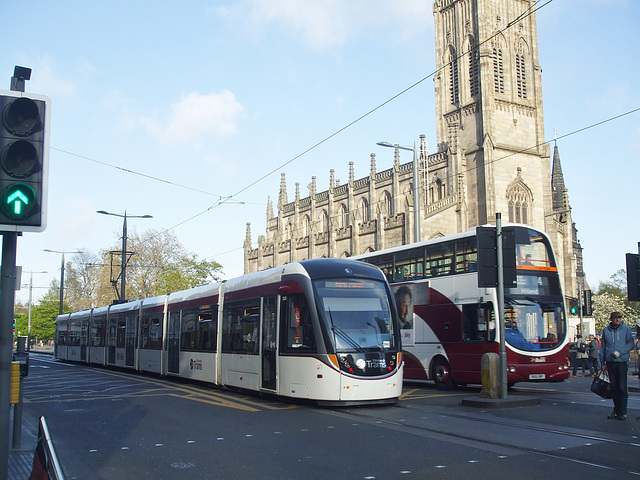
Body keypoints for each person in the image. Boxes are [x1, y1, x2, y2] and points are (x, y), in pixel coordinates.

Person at [598, 312, 635, 420]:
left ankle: (622, 412)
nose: (618, 320)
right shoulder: (606, 330)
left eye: (619, 318)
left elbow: (631, 344)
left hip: (621, 362)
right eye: (616, 318)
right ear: (611, 319)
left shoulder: (626, 329)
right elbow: (603, 347)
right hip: (610, 362)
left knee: (622, 387)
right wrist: (603, 362)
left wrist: (620, 352)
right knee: (613, 387)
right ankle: (616, 410)